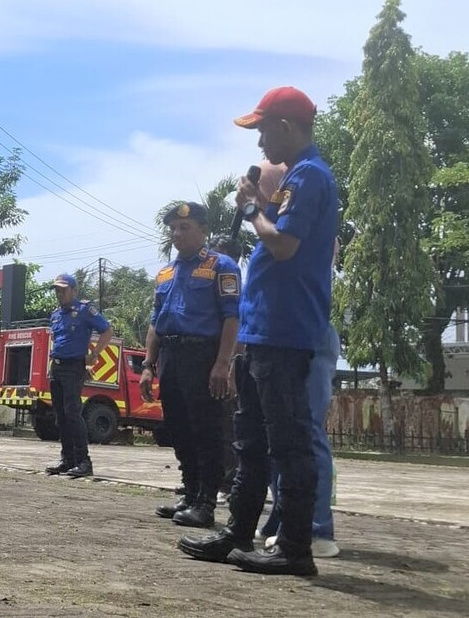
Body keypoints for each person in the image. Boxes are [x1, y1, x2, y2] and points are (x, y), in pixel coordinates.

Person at [178, 86, 339, 576]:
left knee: (288, 442)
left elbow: (284, 245)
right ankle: (238, 532)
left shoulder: (309, 176)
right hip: (263, 331)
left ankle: (295, 547)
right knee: (250, 441)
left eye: (263, 130)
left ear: (286, 127)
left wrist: (252, 210)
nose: (260, 142)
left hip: (287, 332)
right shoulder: (295, 177)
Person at [140, 206, 240, 529]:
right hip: (171, 355)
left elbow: (231, 317)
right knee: (179, 428)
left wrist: (222, 363)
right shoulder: (165, 274)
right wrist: (148, 364)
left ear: (203, 230)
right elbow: (155, 322)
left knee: (206, 429)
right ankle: (190, 492)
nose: (177, 233)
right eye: (173, 228)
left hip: (203, 355)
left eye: (184, 227)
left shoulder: (220, 266)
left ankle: (206, 502)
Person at [260, 239, 343, 559]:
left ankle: (317, 529)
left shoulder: (305, 222)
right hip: (280, 333)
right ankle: (284, 519)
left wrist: (257, 215)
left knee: (306, 432)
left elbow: (324, 245)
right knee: (277, 435)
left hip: (307, 332)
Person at [43, 274, 114, 478]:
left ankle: (84, 461)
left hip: (74, 367)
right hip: (57, 367)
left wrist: (95, 354)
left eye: (64, 290)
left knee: (72, 413)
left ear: (74, 291)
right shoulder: (55, 315)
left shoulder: (84, 310)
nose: (60, 293)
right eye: (57, 290)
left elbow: (107, 330)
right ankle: (68, 459)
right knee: (60, 416)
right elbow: (58, 341)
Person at [207, 233, 243, 505]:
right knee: (210, 424)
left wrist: (232, 365)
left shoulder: (236, 285)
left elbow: (238, 329)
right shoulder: (211, 286)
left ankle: (229, 484)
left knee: (227, 425)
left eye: (217, 252)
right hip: (212, 359)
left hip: (231, 363)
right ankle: (208, 481)